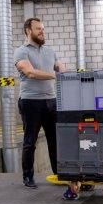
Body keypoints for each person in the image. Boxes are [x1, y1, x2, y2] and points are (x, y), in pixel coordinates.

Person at [14, 17, 66, 188]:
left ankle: (59, 173)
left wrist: (64, 72)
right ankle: (28, 176)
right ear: (28, 31)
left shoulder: (50, 51)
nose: (42, 32)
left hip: (51, 101)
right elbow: (30, 73)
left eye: (42, 29)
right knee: (30, 141)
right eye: (38, 29)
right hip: (30, 102)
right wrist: (54, 75)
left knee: (56, 140)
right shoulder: (21, 51)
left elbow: (61, 68)